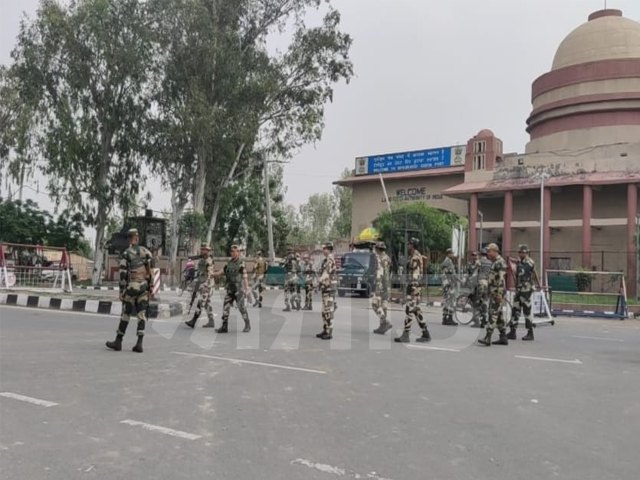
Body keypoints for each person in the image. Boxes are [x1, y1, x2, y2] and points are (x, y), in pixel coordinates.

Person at [106, 229, 153, 353]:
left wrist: (122, 290)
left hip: (132, 287)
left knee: (126, 314)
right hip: (144, 287)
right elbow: (150, 271)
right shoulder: (146, 252)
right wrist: (150, 288)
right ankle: (139, 343)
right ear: (137, 238)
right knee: (141, 314)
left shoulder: (126, 253)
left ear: (128, 239)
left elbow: (122, 273)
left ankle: (118, 341)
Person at [395, 238, 431, 343]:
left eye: (409, 244)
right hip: (416, 287)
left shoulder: (415, 257)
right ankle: (426, 334)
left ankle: (406, 334)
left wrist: (412, 287)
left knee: (409, 310)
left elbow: (416, 273)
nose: (407, 245)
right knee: (416, 310)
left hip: (414, 287)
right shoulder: (414, 255)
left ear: (412, 245)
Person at [213, 245, 251, 333]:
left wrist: (247, 289)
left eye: (234, 251)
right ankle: (224, 326)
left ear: (238, 252)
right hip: (230, 289)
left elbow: (245, 276)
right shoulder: (229, 263)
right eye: (231, 251)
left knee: (241, 308)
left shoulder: (241, 263)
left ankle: (247, 324)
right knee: (225, 307)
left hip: (238, 289)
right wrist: (212, 274)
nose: (232, 253)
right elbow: (222, 271)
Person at [478, 243, 509, 346]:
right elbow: (492, 278)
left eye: (489, 251)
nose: (488, 253)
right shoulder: (495, 262)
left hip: (497, 293)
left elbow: (501, 280)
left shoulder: (500, 263)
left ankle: (488, 337)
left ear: (495, 251)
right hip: (493, 292)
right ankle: (503, 337)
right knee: (498, 315)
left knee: (492, 314)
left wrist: (499, 294)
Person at [508, 244, 539, 341]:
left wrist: (515, 265)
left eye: (522, 252)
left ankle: (530, 332)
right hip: (519, 289)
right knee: (515, 310)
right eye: (519, 252)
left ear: (526, 253)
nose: (520, 254)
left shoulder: (529, 262)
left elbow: (521, 272)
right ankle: (512, 331)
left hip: (526, 290)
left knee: (526, 311)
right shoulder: (521, 262)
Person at [185, 244, 216, 329]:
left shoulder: (209, 261)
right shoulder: (202, 259)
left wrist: (206, 285)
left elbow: (210, 274)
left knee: (201, 302)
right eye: (202, 249)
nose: (202, 251)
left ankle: (193, 321)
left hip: (207, 284)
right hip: (201, 283)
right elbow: (200, 271)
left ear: (208, 251)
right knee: (207, 303)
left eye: (204, 249)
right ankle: (211, 321)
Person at [316, 242, 337, 340]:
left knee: (328, 310)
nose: (323, 250)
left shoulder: (330, 259)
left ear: (329, 249)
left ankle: (329, 332)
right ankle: (325, 329)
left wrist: (318, 282)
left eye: (325, 249)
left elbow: (326, 274)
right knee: (324, 311)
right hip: (326, 288)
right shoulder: (326, 260)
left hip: (329, 288)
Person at [372, 241, 393, 335]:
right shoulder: (388, 258)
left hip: (381, 285)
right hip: (387, 285)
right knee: (384, 306)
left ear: (377, 249)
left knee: (375, 304)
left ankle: (385, 322)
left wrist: (378, 288)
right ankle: (382, 327)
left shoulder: (379, 258)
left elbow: (379, 273)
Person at [472, 248, 492, 329]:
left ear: (480, 255)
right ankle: (484, 320)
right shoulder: (490, 263)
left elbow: (474, 272)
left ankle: (476, 321)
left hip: (480, 283)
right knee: (485, 302)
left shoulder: (479, 262)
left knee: (477, 302)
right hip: (487, 283)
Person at [441, 248, 458, 326]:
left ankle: (444, 318)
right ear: (449, 254)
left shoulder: (445, 261)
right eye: (452, 253)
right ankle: (450, 318)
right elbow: (451, 274)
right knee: (451, 300)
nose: (453, 255)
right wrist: (458, 281)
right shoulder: (448, 262)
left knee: (446, 300)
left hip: (445, 283)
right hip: (449, 283)